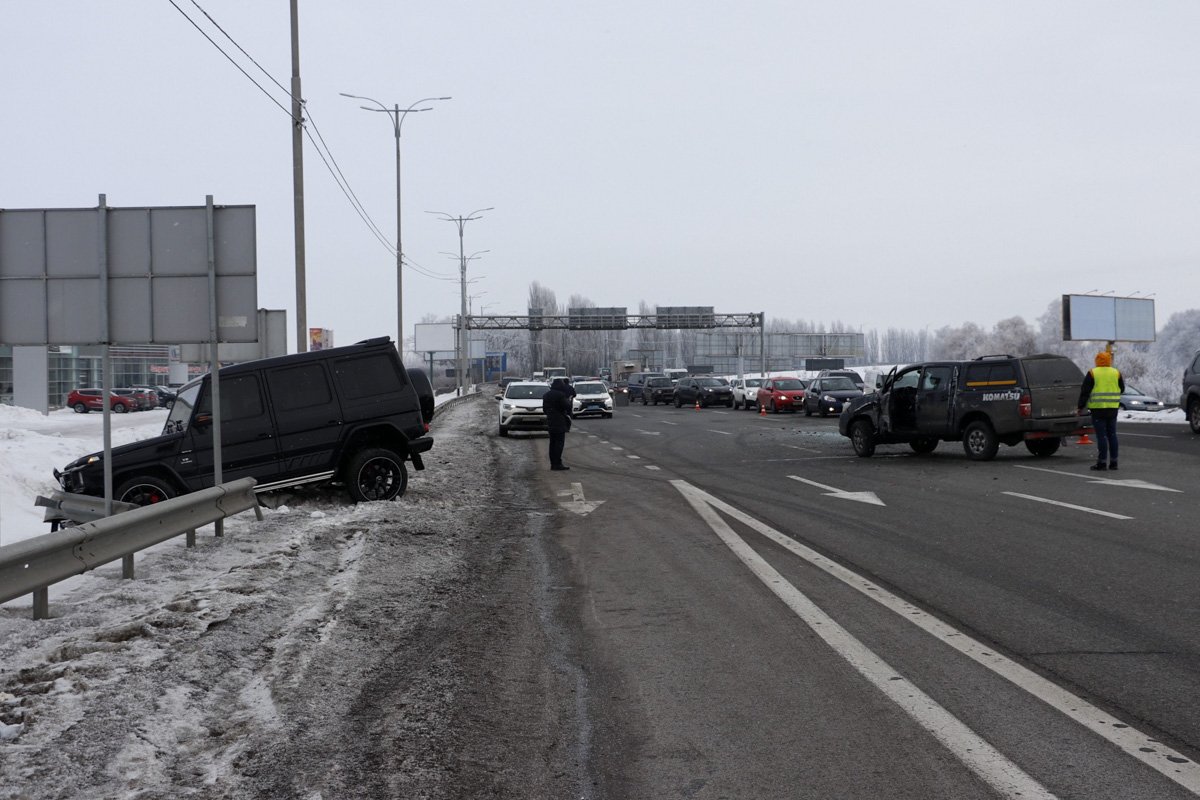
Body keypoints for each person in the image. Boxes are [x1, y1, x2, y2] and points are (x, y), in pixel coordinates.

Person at [1077, 350, 1125, 471]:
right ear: (1109, 361)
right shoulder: (1116, 373)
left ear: (1097, 360)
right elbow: (1122, 389)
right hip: (1113, 409)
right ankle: (1114, 462)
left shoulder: (1093, 373)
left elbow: (1085, 391)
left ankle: (1102, 463)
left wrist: (1080, 406)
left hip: (1098, 409)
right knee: (1112, 435)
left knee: (1101, 436)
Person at [543, 378, 573, 470]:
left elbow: (544, 409)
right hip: (559, 420)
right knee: (559, 443)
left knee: (552, 443)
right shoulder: (560, 395)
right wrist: (569, 400)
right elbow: (567, 406)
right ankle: (557, 463)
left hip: (550, 420)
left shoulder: (546, 395)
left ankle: (553, 463)